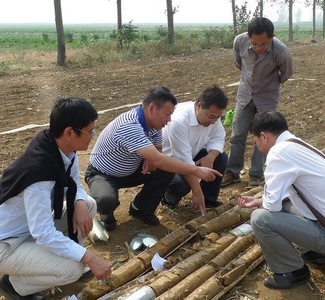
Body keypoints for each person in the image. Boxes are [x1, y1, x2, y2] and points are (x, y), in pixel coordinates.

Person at [0, 97, 112, 299]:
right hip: (6, 247)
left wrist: (78, 202)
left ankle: (54, 263)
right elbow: (43, 233)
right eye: (90, 131)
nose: (93, 136)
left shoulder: (59, 148)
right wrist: (90, 258)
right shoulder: (39, 174)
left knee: (88, 204)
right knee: (73, 269)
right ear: (70, 132)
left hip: (27, 231)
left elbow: (73, 182)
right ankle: (14, 286)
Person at [238, 111, 325, 289]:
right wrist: (259, 200)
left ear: (264, 136)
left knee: (260, 219)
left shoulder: (278, 153)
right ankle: (316, 254)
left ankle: (292, 272)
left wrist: (260, 204)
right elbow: (281, 197)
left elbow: (271, 204)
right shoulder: (296, 144)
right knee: (286, 203)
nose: (257, 145)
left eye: (255, 141)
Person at [85, 86, 221, 231]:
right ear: (151, 108)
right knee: (106, 200)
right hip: (104, 174)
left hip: (132, 169)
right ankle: (106, 213)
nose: (169, 120)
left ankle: (141, 208)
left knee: (165, 169)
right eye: (167, 114)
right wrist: (196, 170)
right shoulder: (128, 125)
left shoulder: (154, 124)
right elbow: (158, 159)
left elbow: (158, 152)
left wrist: (151, 157)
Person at [222, 17, 294, 187]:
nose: (258, 48)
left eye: (263, 44)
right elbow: (238, 64)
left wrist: (269, 84)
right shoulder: (239, 42)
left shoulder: (281, 51)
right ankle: (232, 171)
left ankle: (256, 173)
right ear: (248, 37)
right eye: (254, 44)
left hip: (267, 99)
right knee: (237, 134)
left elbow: (286, 74)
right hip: (245, 95)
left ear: (272, 37)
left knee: (263, 136)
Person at [161, 85, 229, 215]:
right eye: (211, 117)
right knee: (182, 185)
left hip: (191, 154)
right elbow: (184, 162)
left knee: (221, 158)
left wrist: (210, 157)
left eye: (217, 117)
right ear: (199, 106)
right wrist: (197, 192)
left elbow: (218, 137)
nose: (214, 121)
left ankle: (208, 199)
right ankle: (168, 198)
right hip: (170, 163)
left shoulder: (213, 117)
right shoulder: (179, 121)